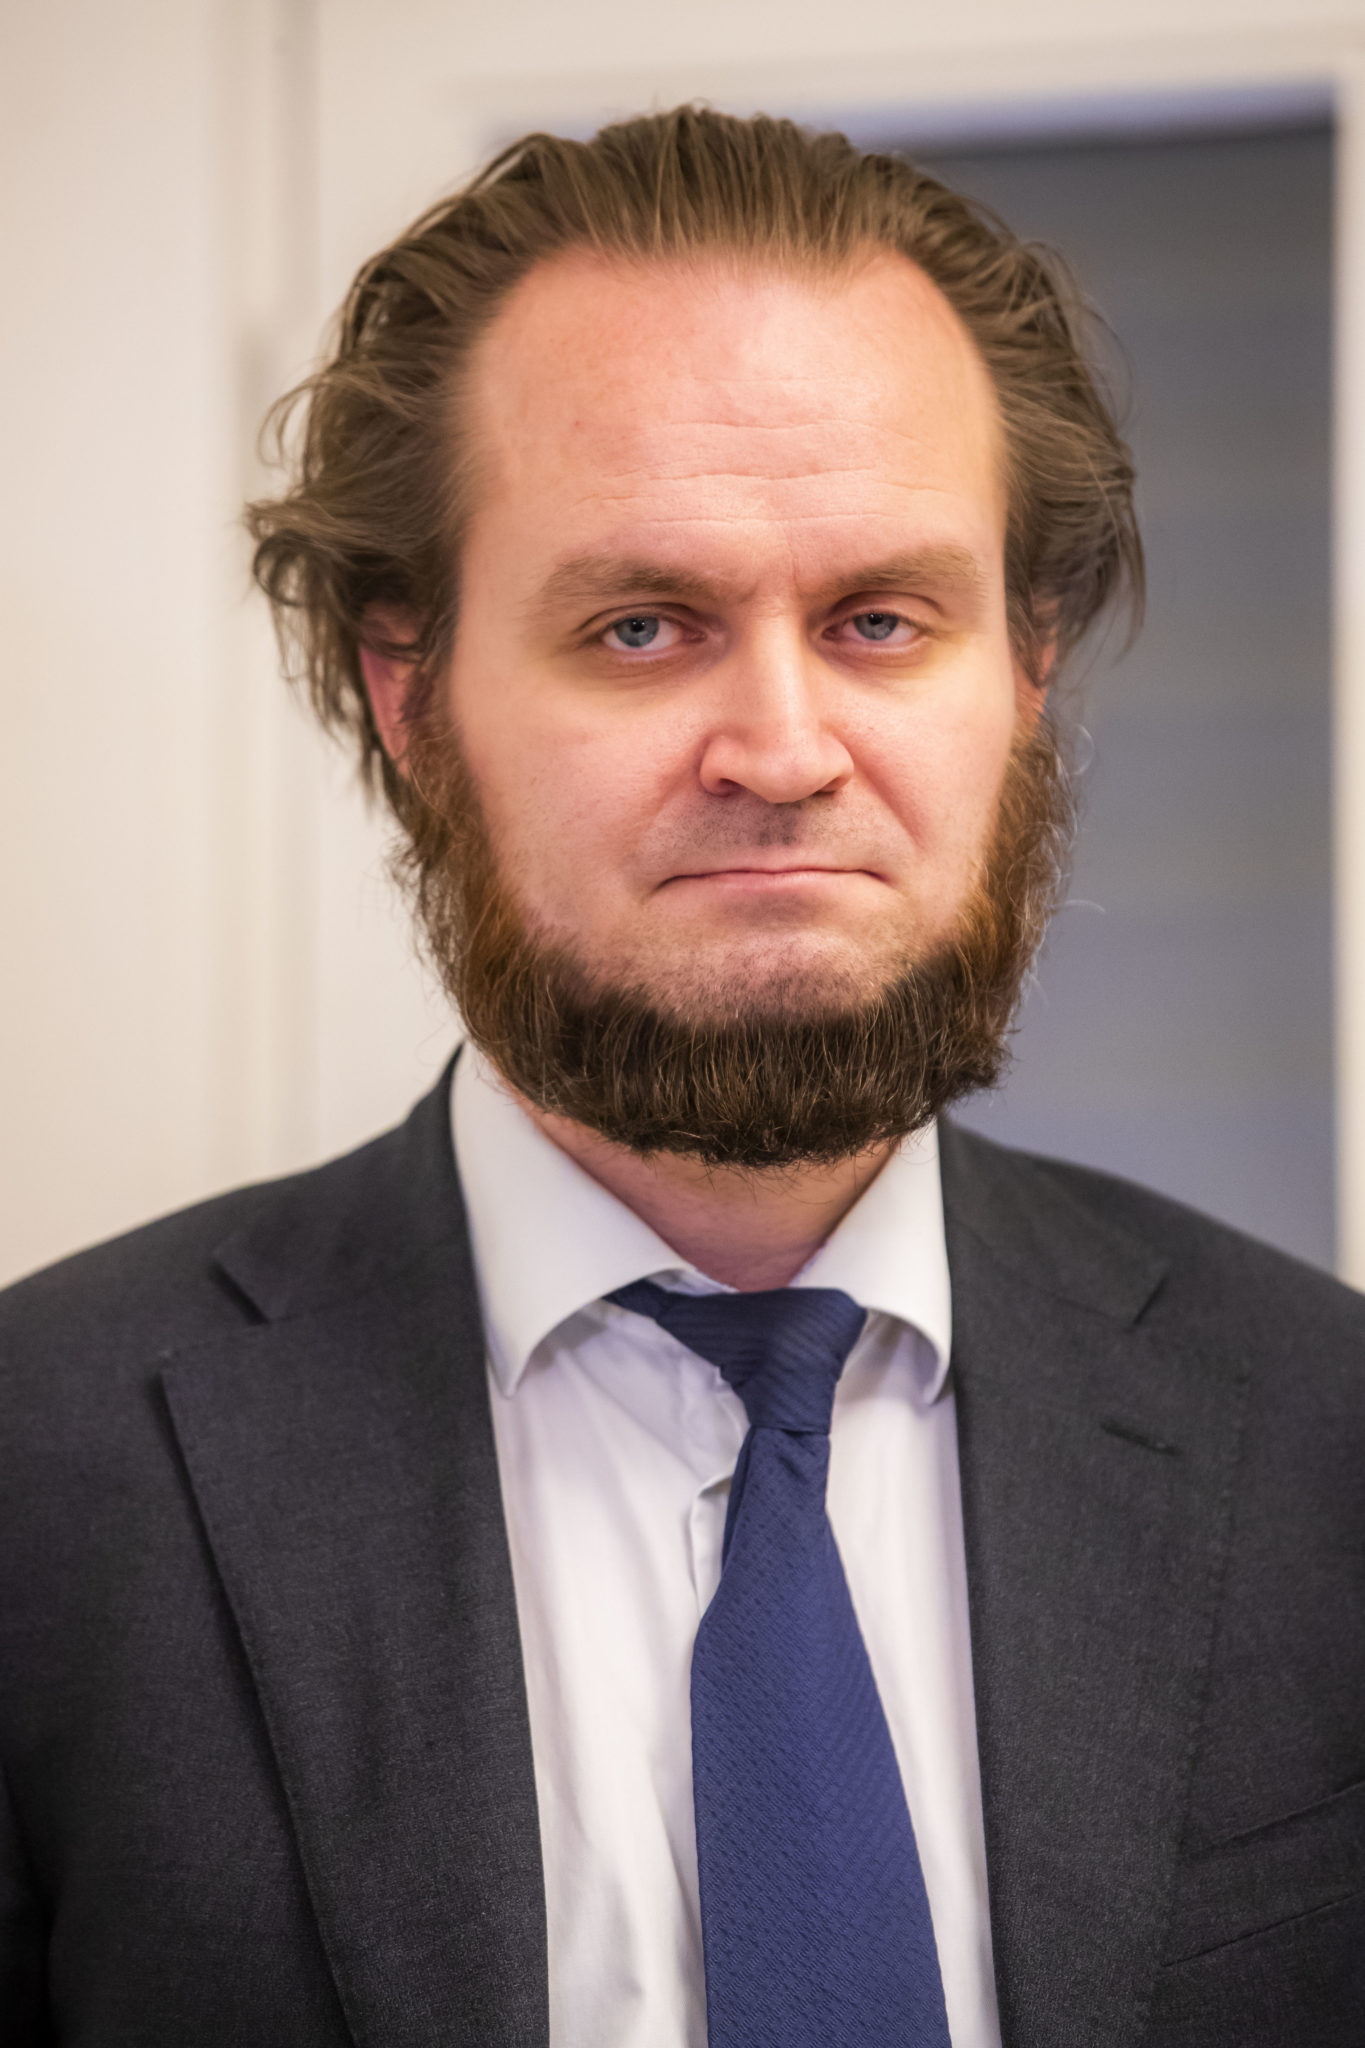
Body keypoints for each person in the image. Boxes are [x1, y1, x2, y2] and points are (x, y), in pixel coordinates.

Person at [1, 106, 1361, 2048]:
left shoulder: (1325, 1442)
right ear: (409, 695)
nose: (782, 749)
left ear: (1023, 671)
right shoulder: (47, 1482)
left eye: (881, 620)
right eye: (641, 627)